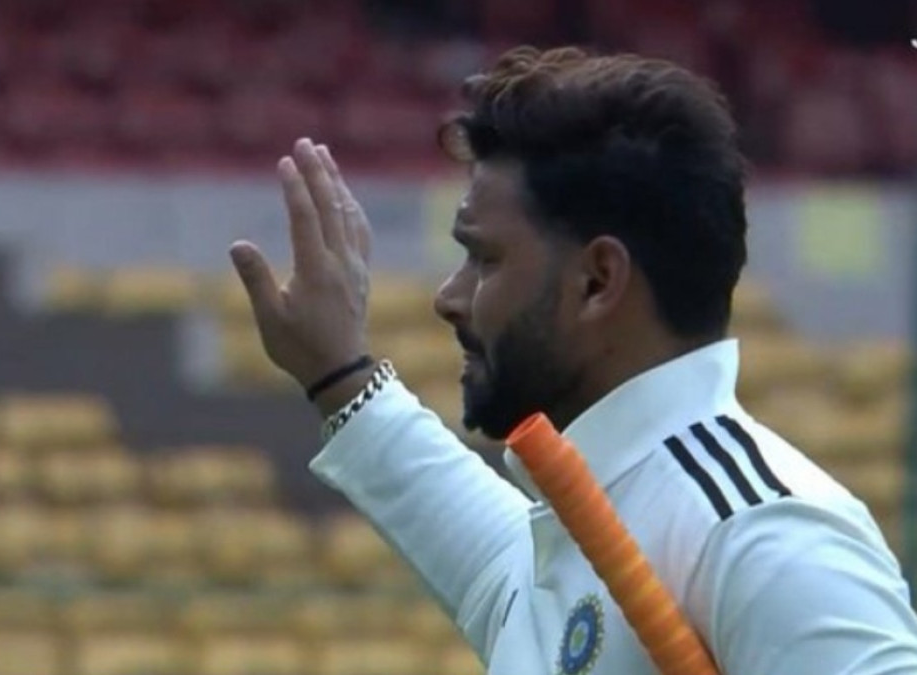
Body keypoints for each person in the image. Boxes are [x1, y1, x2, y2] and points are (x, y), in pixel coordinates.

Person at [226, 46, 917, 674]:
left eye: (484, 258)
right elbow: (477, 544)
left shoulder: (763, 538)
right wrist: (337, 370)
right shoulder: (585, 520)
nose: (449, 297)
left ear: (597, 281)